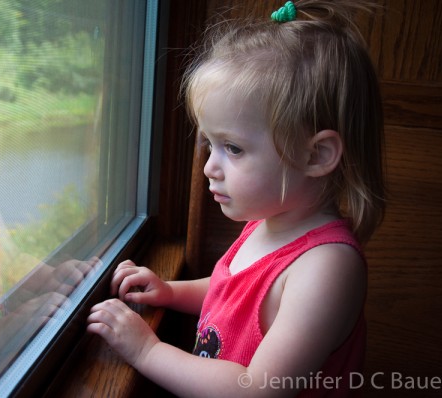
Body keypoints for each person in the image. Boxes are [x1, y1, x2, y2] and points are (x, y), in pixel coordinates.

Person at [87, 0, 385, 396]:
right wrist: (172, 292)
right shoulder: (266, 222)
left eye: (234, 148)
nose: (209, 166)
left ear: (316, 155)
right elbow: (232, 293)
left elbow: (258, 389)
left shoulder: (327, 268)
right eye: (209, 144)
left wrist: (146, 351)